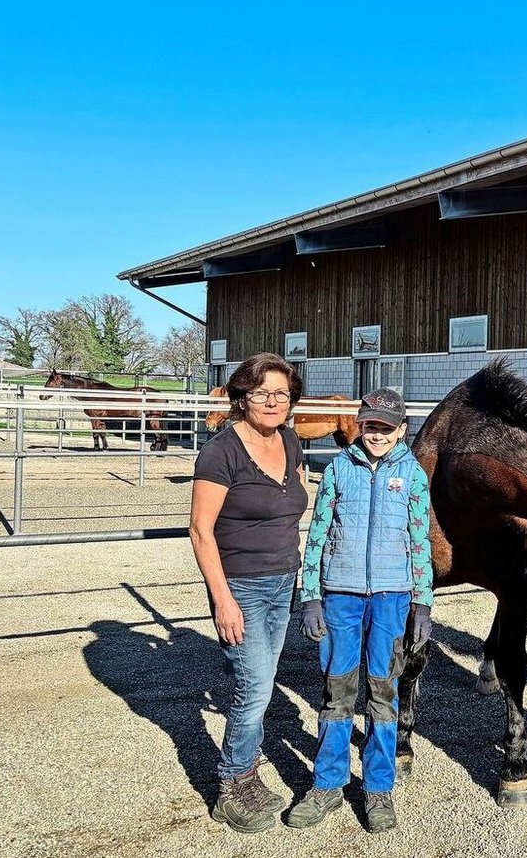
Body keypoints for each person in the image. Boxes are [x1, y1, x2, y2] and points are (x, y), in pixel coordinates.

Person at [286, 387, 433, 833]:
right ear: (359, 425)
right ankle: (328, 783)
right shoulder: (337, 469)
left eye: (386, 428)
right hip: (341, 596)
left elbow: (420, 540)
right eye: (370, 426)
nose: (377, 435)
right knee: (337, 690)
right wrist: (310, 595)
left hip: (392, 598)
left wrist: (422, 604)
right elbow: (317, 533)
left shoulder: (413, 475)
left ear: (401, 430)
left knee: (383, 693)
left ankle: (378, 788)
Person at [189, 352, 310, 834]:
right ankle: (231, 784)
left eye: (282, 393)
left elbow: (295, 497)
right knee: (255, 686)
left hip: (284, 581)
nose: (273, 402)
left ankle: (248, 771)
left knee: (262, 679)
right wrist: (222, 600)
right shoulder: (221, 452)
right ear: (241, 397)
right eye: (262, 393)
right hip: (241, 585)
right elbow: (200, 530)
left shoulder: (290, 441)